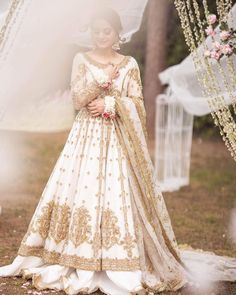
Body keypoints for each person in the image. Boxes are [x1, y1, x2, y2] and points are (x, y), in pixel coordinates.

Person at [0, 7, 236, 295]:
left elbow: (137, 104)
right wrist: (102, 80)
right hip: (85, 140)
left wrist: (110, 105)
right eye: (96, 31)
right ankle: (76, 255)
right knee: (82, 192)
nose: (101, 36)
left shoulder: (129, 64)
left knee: (117, 194)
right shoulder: (82, 59)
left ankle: (117, 260)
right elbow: (76, 98)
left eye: (107, 31)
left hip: (118, 141)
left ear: (117, 34)